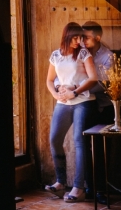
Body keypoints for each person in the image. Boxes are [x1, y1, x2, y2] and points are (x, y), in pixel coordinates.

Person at [45, 22, 98, 203]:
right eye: (75, 38)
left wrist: (74, 92)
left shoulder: (83, 53)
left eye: (80, 38)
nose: (78, 41)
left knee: (79, 142)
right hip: (63, 102)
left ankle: (78, 188)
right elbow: (50, 80)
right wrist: (56, 94)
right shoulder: (55, 55)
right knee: (54, 139)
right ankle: (60, 182)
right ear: (66, 37)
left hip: (82, 101)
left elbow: (93, 79)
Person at [76, 21, 114, 204]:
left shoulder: (108, 57)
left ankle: (101, 189)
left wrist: (79, 88)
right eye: (81, 37)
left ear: (97, 38)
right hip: (85, 105)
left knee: (100, 149)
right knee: (84, 146)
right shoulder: (80, 53)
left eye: (87, 37)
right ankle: (88, 187)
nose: (82, 41)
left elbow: (102, 85)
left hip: (103, 108)